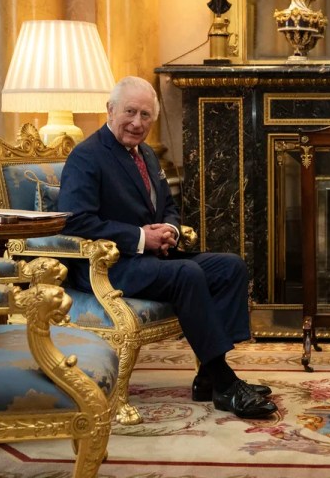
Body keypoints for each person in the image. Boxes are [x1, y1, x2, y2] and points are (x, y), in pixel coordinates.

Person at [58, 76, 276, 419]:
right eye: (130, 112)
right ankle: (225, 382)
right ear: (110, 110)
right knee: (186, 272)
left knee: (231, 266)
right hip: (109, 265)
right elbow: (76, 221)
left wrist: (171, 229)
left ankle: (208, 376)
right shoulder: (87, 156)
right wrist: (143, 237)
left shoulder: (145, 153)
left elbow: (169, 207)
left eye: (146, 115)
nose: (137, 122)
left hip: (151, 258)